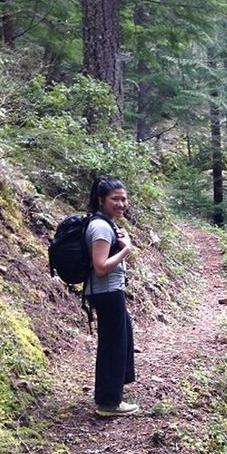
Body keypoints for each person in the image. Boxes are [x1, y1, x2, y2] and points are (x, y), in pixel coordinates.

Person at [85, 176, 139, 416]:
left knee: (120, 340)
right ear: (101, 200)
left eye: (124, 198)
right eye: (115, 199)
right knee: (112, 346)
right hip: (106, 292)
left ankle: (113, 392)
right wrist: (126, 249)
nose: (121, 203)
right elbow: (100, 266)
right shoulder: (100, 227)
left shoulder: (106, 224)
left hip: (110, 291)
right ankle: (109, 402)